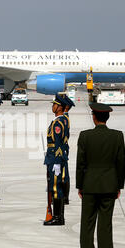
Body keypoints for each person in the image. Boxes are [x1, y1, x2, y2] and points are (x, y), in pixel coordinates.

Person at [76, 103, 125, 248]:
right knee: (105, 226)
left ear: (94, 117)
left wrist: (80, 186)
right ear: (108, 117)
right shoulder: (117, 136)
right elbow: (121, 163)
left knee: (87, 225)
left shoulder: (85, 136)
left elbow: (80, 163)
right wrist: (119, 185)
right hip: (109, 186)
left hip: (89, 185)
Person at [43, 94, 73, 226]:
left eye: (54, 104)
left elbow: (59, 144)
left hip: (55, 158)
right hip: (53, 157)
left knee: (55, 187)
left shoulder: (58, 123)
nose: (52, 106)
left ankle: (57, 217)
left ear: (59, 107)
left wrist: (56, 162)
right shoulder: (59, 121)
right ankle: (58, 216)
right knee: (55, 186)